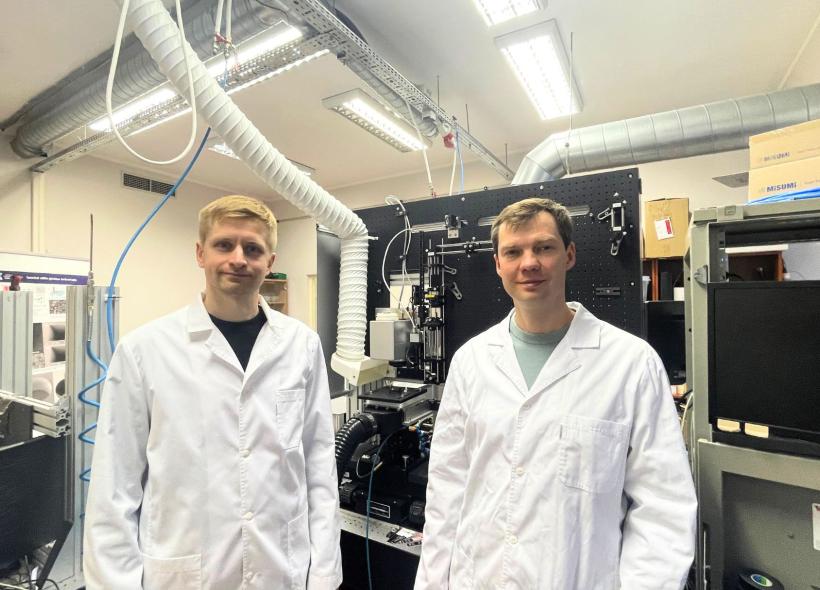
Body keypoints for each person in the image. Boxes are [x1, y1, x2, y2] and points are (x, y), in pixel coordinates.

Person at [415, 197, 697, 590]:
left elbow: (663, 510)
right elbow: (446, 492)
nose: (528, 263)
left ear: (569, 255)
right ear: (498, 264)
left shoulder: (631, 364)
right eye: (513, 252)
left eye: (543, 247)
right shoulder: (470, 361)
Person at [83, 195, 342, 589]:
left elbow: (319, 468)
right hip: (185, 574)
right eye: (224, 245)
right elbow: (114, 488)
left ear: (269, 262)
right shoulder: (144, 351)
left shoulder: (301, 345)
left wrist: (323, 576)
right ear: (200, 253)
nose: (238, 259)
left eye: (252, 249)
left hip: (281, 570)